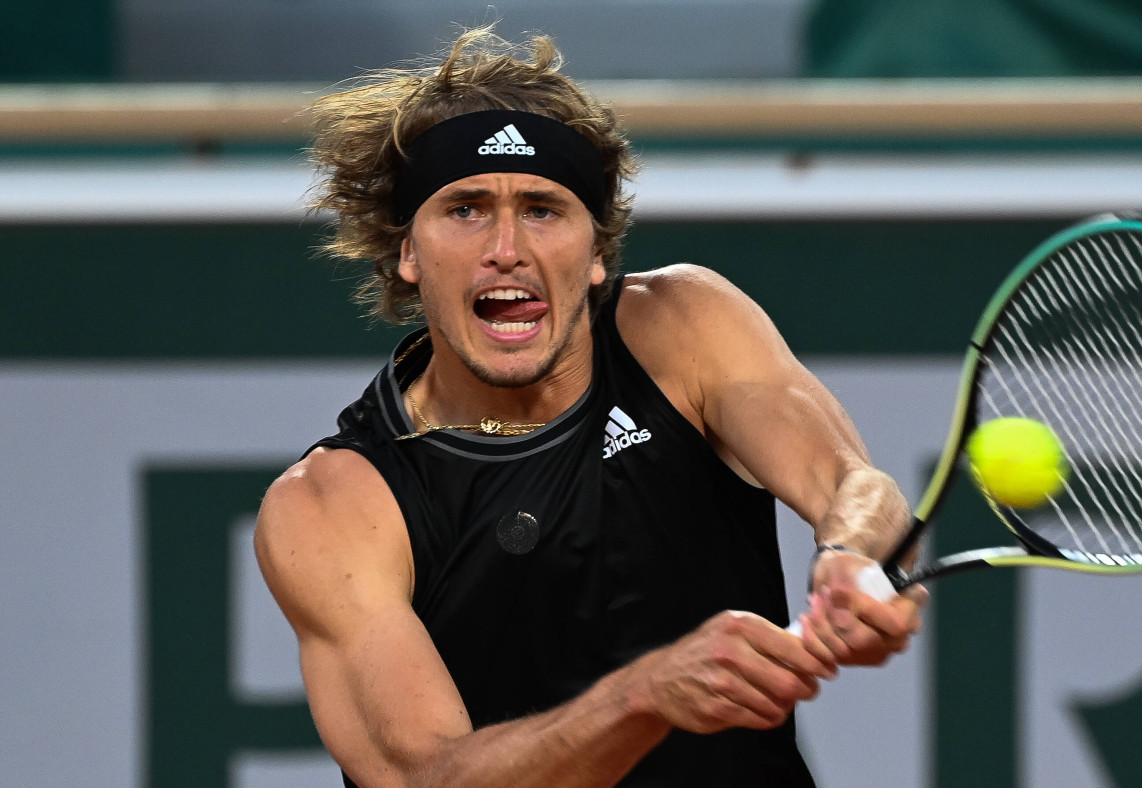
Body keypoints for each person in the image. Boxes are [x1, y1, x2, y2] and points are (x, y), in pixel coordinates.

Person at [254, 26, 927, 788]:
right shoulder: (333, 505)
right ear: (408, 251)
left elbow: (852, 486)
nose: (506, 248)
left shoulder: (683, 328)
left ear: (598, 251)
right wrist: (643, 697)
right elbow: (426, 777)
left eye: (542, 209)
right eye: (466, 209)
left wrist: (851, 558)